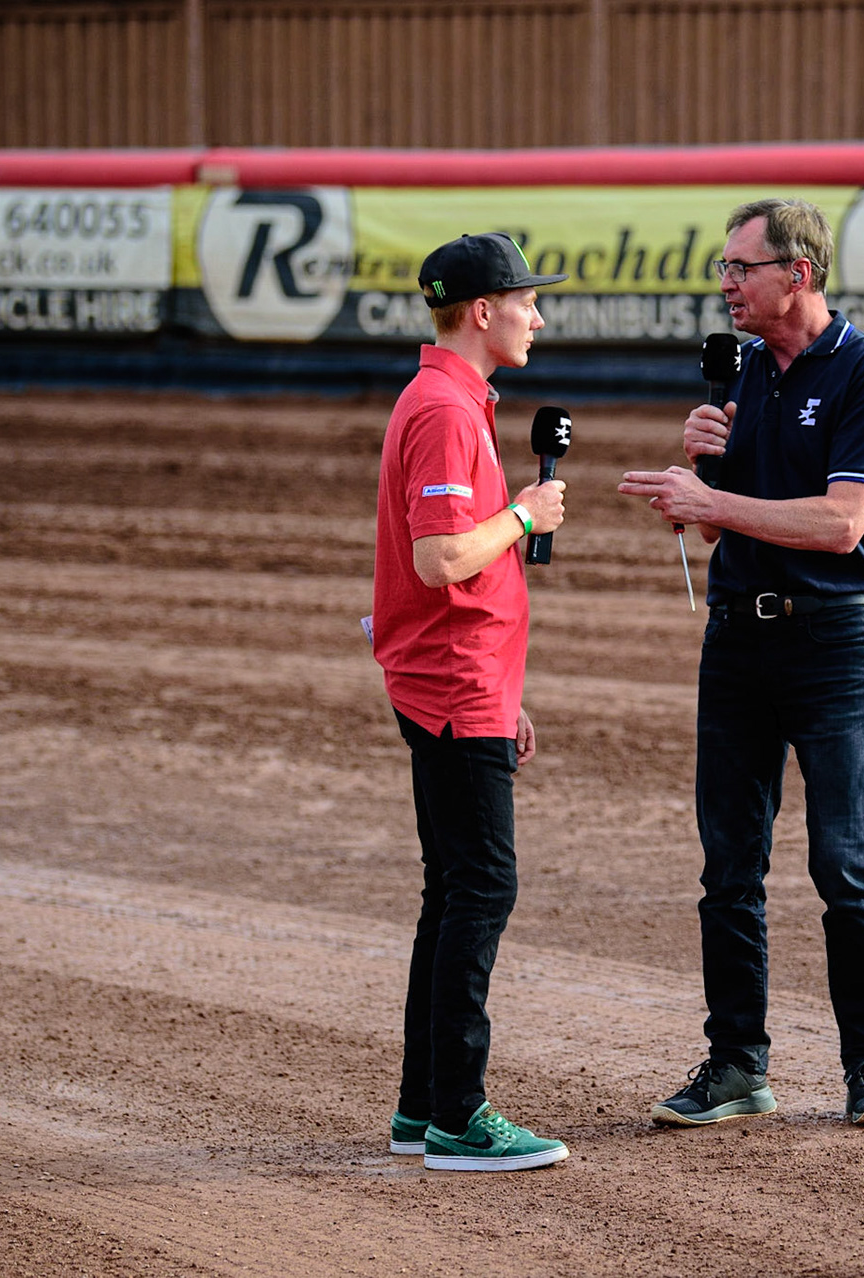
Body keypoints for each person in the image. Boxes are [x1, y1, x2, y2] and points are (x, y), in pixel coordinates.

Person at [616, 198, 864, 1129]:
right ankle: (736, 1064)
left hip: (833, 642)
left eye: (742, 267)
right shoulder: (739, 372)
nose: (726, 283)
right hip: (738, 636)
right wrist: (692, 495)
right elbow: (716, 521)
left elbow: (841, 524)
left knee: (843, 862)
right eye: (724, 268)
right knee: (728, 866)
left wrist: (717, 498)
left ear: (800, 274)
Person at [372, 231, 571, 1172]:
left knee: (451, 892)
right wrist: (528, 514)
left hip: (463, 686)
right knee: (481, 889)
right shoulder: (448, 409)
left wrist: (509, 692)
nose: (539, 314)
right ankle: (459, 1116)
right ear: (482, 312)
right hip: (452, 690)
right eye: (527, 300)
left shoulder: (447, 399)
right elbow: (442, 556)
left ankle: (425, 1108)